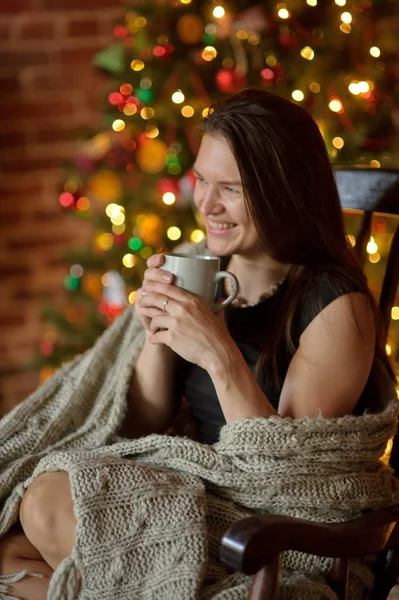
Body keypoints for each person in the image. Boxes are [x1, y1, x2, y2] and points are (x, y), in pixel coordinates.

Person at [1, 89, 397, 600]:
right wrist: (155, 336)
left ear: (281, 190)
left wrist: (217, 350)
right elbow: (143, 420)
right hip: (192, 491)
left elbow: (290, 482)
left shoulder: (335, 305)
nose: (206, 205)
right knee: (11, 544)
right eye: (202, 181)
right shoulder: (200, 266)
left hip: (261, 525)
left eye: (229, 188)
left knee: (50, 500)